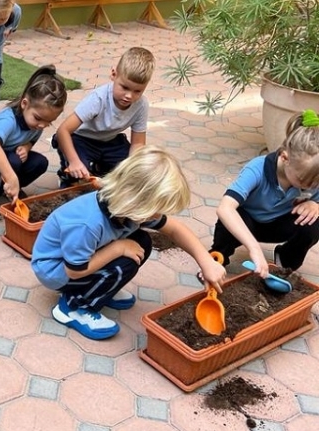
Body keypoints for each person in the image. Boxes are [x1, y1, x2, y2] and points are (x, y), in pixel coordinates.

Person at [31, 146, 226, 340]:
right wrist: (118, 248)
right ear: (136, 201)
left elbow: (175, 229)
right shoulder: (87, 224)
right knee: (124, 262)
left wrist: (206, 262)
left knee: (141, 242)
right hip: (57, 271)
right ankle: (74, 307)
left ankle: (102, 290)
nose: (157, 216)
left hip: (81, 259)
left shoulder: (126, 208)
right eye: (155, 210)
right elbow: (74, 271)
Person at [210, 109, 319, 277]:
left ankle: (285, 263)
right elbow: (225, 208)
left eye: (315, 183)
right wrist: (254, 248)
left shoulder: (311, 176)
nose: (310, 186)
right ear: (285, 158)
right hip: (246, 224)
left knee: (314, 220)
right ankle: (217, 259)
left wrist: (315, 204)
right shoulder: (258, 168)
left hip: (279, 225)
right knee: (231, 217)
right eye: (303, 180)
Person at [0, 65, 67, 221]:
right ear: (24, 104)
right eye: (38, 118)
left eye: (49, 122)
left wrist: (27, 147)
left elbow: (31, 139)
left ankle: (7, 189)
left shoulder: (36, 123)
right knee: (13, 161)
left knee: (40, 163)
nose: (42, 125)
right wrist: (11, 177)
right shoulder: (8, 120)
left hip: (3, 157)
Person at [52, 47, 155, 187]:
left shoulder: (141, 105)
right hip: (81, 139)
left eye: (137, 91)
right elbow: (63, 130)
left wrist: (131, 169)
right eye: (124, 87)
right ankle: (67, 176)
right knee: (79, 174)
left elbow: (138, 143)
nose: (129, 96)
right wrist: (74, 162)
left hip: (110, 142)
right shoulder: (98, 99)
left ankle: (100, 168)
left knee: (134, 170)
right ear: (114, 74)